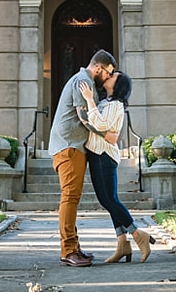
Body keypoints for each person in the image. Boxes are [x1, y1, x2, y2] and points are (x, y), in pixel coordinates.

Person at [48, 49, 116, 267]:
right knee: (69, 197)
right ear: (98, 68)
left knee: (73, 198)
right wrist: (106, 134)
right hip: (69, 147)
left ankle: (74, 247)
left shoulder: (85, 80)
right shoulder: (82, 80)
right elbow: (83, 116)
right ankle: (68, 251)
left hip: (75, 147)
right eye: (107, 73)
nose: (107, 77)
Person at [80, 70, 154, 263]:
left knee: (109, 200)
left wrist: (88, 100)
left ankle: (139, 235)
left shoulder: (116, 105)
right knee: (108, 200)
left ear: (118, 85)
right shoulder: (106, 102)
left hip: (104, 155)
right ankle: (122, 244)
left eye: (113, 76)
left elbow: (101, 123)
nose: (108, 76)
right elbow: (99, 126)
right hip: (98, 154)